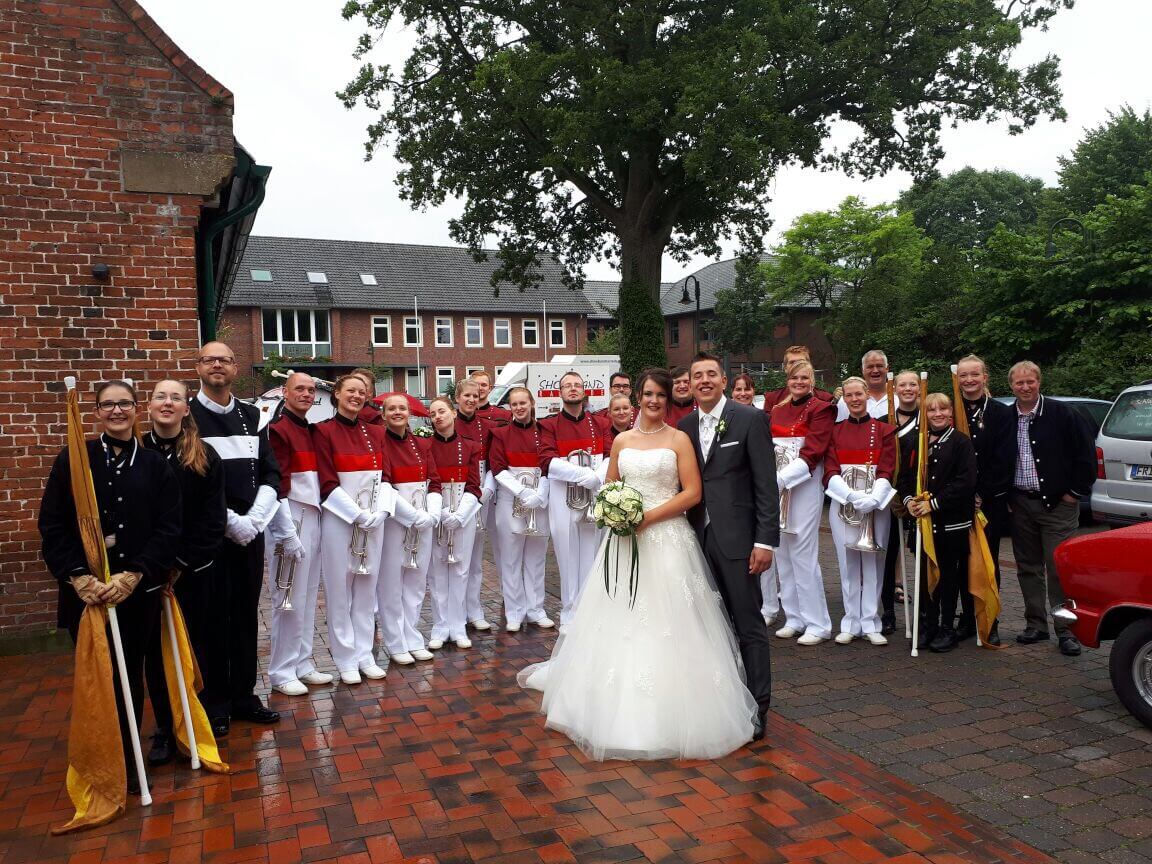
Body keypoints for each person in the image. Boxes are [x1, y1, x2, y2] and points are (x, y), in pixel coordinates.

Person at [519, 368, 759, 760]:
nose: (652, 401)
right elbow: (611, 486)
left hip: (667, 540)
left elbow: (693, 493)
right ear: (637, 399)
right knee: (618, 618)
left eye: (659, 395)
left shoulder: (679, 439)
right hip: (624, 541)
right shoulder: (621, 441)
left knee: (671, 622)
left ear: (667, 400)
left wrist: (647, 517)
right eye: (646, 394)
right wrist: (615, 512)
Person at [39, 380, 182, 791]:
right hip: (84, 595)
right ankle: (99, 758)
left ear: (137, 409)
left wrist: (135, 573)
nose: (116, 411)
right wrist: (77, 576)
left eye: (123, 404)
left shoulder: (155, 465)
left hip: (135, 593)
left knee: (128, 675)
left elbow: (168, 529)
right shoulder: (74, 459)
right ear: (97, 411)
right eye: (107, 405)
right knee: (96, 678)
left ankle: (128, 759)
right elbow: (52, 525)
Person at [680, 352, 778, 740]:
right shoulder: (684, 426)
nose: (704, 381)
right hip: (695, 540)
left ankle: (758, 708)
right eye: (697, 375)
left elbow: (766, 486)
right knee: (710, 627)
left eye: (710, 374)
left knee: (748, 624)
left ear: (723, 380)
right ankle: (722, 702)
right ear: (689, 383)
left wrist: (765, 541)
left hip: (739, 541)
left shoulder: (750, 419)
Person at [190, 343, 281, 735]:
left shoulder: (252, 416)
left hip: (249, 535)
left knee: (245, 616)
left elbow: (270, 473)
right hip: (210, 538)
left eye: (224, 359)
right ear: (198, 367)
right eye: (209, 359)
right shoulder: (186, 416)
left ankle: (244, 695)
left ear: (234, 367)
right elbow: (187, 483)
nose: (217, 365)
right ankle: (216, 701)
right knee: (212, 620)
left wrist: (255, 520)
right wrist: (228, 522)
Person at [141, 378, 226, 765]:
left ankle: (200, 718)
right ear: (149, 405)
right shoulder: (136, 452)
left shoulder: (204, 455)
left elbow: (212, 520)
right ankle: (164, 727)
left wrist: (181, 564)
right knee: (156, 656)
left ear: (186, 408)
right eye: (161, 396)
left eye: (176, 397)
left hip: (192, 571)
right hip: (147, 573)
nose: (168, 403)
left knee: (200, 647)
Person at [1007, 360, 1096, 656]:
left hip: (1058, 505)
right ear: (1011, 386)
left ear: (1039, 381)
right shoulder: (1007, 417)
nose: (1025, 387)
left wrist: (1074, 494)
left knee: (1058, 568)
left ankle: (1065, 629)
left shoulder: (1063, 414)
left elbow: (1086, 457)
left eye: (1030, 381)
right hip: (1020, 503)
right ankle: (1036, 625)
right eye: (1019, 383)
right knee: (1028, 567)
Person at [314, 374, 396, 684]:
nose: (356, 396)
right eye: (350, 390)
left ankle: (365, 654)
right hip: (340, 520)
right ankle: (346, 659)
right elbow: (326, 481)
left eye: (362, 392)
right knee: (340, 592)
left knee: (366, 592)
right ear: (336, 393)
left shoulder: (377, 432)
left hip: (373, 521)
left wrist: (383, 511)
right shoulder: (323, 431)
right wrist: (357, 514)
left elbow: (386, 477)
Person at [263, 373, 332, 696]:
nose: (306, 394)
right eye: (299, 389)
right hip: (290, 517)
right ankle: (281, 670)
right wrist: (285, 531)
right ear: (285, 393)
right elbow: (275, 485)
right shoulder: (277, 430)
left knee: (306, 596)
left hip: (312, 515)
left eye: (310, 390)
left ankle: (302, 661)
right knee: (287, 598)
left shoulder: (309, 428)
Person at [899, 393, 977, 652]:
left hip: (950, 522)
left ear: (951, 412)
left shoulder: (960, 442)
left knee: (948, 576)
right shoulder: (916, 441)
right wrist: (910, 500)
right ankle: (928, 625)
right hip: (922, 524)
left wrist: (932, 504)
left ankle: (947, 627)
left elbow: (964, 482)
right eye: (931, 410)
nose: (937, 414)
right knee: (923, 574)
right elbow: (906, 478)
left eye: (942, 409)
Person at [824, 378, 897, 645]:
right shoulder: (834, 431)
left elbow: (888, 468)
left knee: (874, 564)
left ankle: (871, 622)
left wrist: (874, 497)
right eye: (849, 395)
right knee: (847, 564)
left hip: (875, 504)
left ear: (867, 395)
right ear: (843, 398)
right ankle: (851, 621)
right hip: (844, 503)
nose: (854, 399)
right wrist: (851, 496)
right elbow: (830, 469)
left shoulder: (885, 430)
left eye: (859, 394)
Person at [769, 361, 836, 645]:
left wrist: (778, 481)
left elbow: (814, 451)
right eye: (794, 377)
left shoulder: (822, 407)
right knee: (781, 549)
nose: (799, 382)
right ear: (788, 379)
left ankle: (818, 623)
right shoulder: (778, 408)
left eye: (805, 377)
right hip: (777, 479)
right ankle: (794, 617)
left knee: (803, 551)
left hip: (804, 482)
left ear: (813, 379)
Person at [538, 372, 611, 626]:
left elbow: (612, 454)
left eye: (577, 385)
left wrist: (597, 477)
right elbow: (547, 461)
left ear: (584, 390)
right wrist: (584, 474)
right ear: (560, 392)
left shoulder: (600, 423)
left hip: (593, 494)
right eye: (567, 386)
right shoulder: (548, 425)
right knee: (567, 555)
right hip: (563, 497)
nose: (572, 389)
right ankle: (569, 614)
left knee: (591, 555)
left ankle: (590, 612)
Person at [954, 355, 1014, 646]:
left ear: (984, 377)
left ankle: (990, 619)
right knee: (962, 562)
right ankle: (966, 618)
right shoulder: (952, 409)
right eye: (963, 375)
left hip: (988, 502)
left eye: (974, 375)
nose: (968, 380)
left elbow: (1003, 460)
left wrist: (981, 494)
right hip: (958, 501)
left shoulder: (1001, 413)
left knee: (987, 562)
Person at [377, 393, 440, 664]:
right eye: (391, 409)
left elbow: (434, 480)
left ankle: (412, 637)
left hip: (422, 519)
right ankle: (395, 642)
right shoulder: (380, 442)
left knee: (415, 583)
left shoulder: (422, 444)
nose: (397, 412)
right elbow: (385, 484)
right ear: (383, 414)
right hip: (396, 520)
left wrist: (431, 514)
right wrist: (412, 515)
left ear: (409, 413)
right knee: (391, 584)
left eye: (401, 408)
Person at [489, 387, 554, 632]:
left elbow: (549, 463)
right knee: (511, 559)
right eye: (514, 404)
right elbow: (497, 467)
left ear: (532, 403)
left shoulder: (544, 431)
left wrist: (541, 493)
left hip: (539, 500)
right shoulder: (501, 433)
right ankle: (514, 611)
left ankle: (536, 609)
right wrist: (523, 491)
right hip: (512, 502)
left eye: (522, 403)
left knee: (536, 559)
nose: (518, 407)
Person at [425, 396, 484, 649]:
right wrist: (438, 512)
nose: (437, 417)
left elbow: (474, 484)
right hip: (436, 509)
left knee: (461, 570)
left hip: (463, 510)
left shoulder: (470, 446)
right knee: (437, 572)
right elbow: (427, 480)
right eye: (432, 414)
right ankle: (440, 626)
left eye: (441, 411)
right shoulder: (425, 445)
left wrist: (461, 514)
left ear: (453, 412)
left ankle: (458, 625)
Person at [455, 377, 506, 633]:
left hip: (480, 495)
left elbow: (492, 461)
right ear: (457, 398)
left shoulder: (487, 427)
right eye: (467, 396)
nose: (472, 400)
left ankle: (474, 610)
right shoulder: (448, 423)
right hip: (455, 493)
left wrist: (486, 490)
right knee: (457, 558)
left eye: (475, 396)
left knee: (475, 558)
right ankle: (455, 612)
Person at [880, 370, 921, 634]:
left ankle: (929, 612)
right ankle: (888, 613)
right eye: (902, 384)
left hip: (921, 498)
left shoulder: (929, 419)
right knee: (888, 555)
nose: (907, 389)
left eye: (912, 384)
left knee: (923, 554)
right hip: (892, 498)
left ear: (919, 388)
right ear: (894, 389)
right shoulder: (885, 421)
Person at [761, 346, 836, 405]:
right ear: (785, 368)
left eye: (801, 362)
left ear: (809, 366)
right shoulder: (772, 399)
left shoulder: (825, 398)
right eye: (792, 362)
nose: (796, 365)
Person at [836, 350, 891, 421]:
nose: (875, 371)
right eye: (870, 367)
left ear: (887, 369)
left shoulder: (899, 396)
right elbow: (841, 428)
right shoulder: (847, 401)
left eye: (879, 366)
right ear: (863, 370)